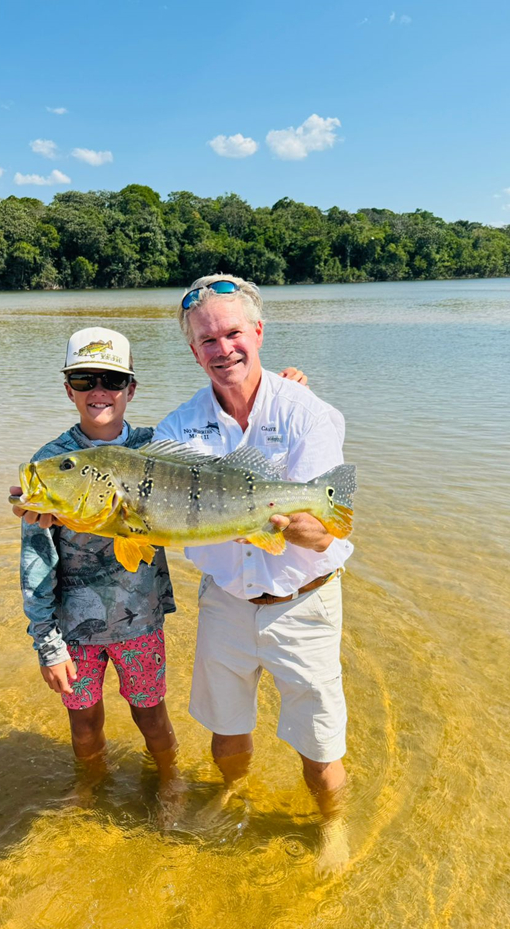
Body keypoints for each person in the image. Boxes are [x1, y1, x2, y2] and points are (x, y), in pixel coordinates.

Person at [153, 275, 354, 866]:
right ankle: (233, 793)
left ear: (258, 332)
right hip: (225, 601)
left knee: (320, 744)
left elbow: (329, 532)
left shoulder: (306, 414)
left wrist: (275, 520)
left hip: (305, 601)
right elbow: (144, 504)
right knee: (226, 730)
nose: (223, 349)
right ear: (194, 351)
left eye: (232, 333)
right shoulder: (176, 429)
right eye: (207, 340)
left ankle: (334, 827)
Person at [17, 326, 179, 795]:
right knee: (84, 725)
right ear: (68, 389)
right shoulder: (49, 464)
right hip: (74, 630)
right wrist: (47, 643)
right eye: (84, 380)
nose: (99, 391)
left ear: (132, 388)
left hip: (141, 621)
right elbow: (35, 564)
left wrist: (280, 390)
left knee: (152, 717)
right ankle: (91, 787)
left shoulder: (156, 446)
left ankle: (170, 781)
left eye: (112, 380)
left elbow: (224, 438)